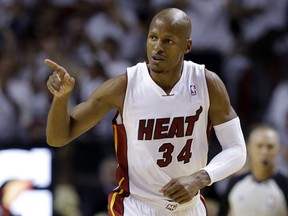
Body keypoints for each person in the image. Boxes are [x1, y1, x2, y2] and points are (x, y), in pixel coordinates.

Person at [45, 8, 246, 216]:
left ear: (186, 46)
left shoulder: (206, 82)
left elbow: (237, 149)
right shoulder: (124, 86)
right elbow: (57, 138)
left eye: (168, 41)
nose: (157, 47)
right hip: (138, 207)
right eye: (153, 38)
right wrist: (60, 99)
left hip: (189, 207)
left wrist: (200, 178)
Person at [218, 124, 288, 216]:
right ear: (249, 147)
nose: (264, 152)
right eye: (259, 146)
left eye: (270, 147)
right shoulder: (235, 183)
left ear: (279, 149)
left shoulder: (285, 186)